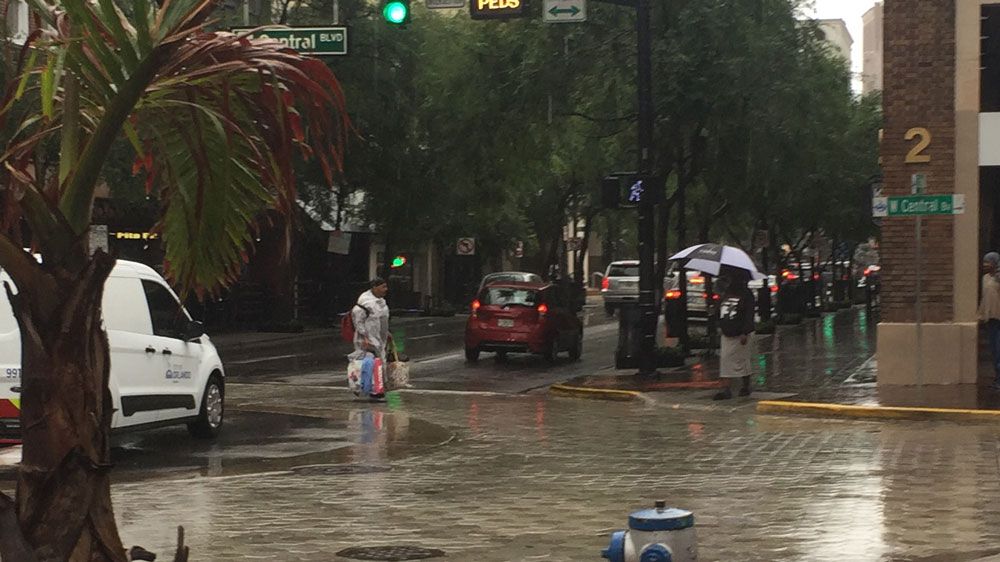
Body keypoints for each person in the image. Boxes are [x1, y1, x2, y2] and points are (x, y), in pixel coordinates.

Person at [714, 269, 756, 400]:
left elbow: (749, 314)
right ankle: (726, 388)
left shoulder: (747, 295)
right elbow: (721, 309)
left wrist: (745, 332)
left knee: (742, 360)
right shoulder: (727, 293)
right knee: (725, 359)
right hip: (728, 332)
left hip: (740, 333)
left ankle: (745, 385)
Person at [349, 278, 391, 397]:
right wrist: (364, 337)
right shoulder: (365, 303)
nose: (385, 290)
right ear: (374, 287)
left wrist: (387, 332)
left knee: (378, 362)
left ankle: (377, 387)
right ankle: (363, 387)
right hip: (366, 339)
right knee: (367, 363)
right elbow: (358, 321)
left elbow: (382, 321)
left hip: (377, 337)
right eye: (383, 287)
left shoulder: (381, 302)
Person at [979, 252, 1000, 389]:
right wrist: (980, 315)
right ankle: (997, 376)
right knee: (994, 349)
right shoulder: (985, 278)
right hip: (990, 318)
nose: (986, 265)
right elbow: (984, 298)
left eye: (988, 262)